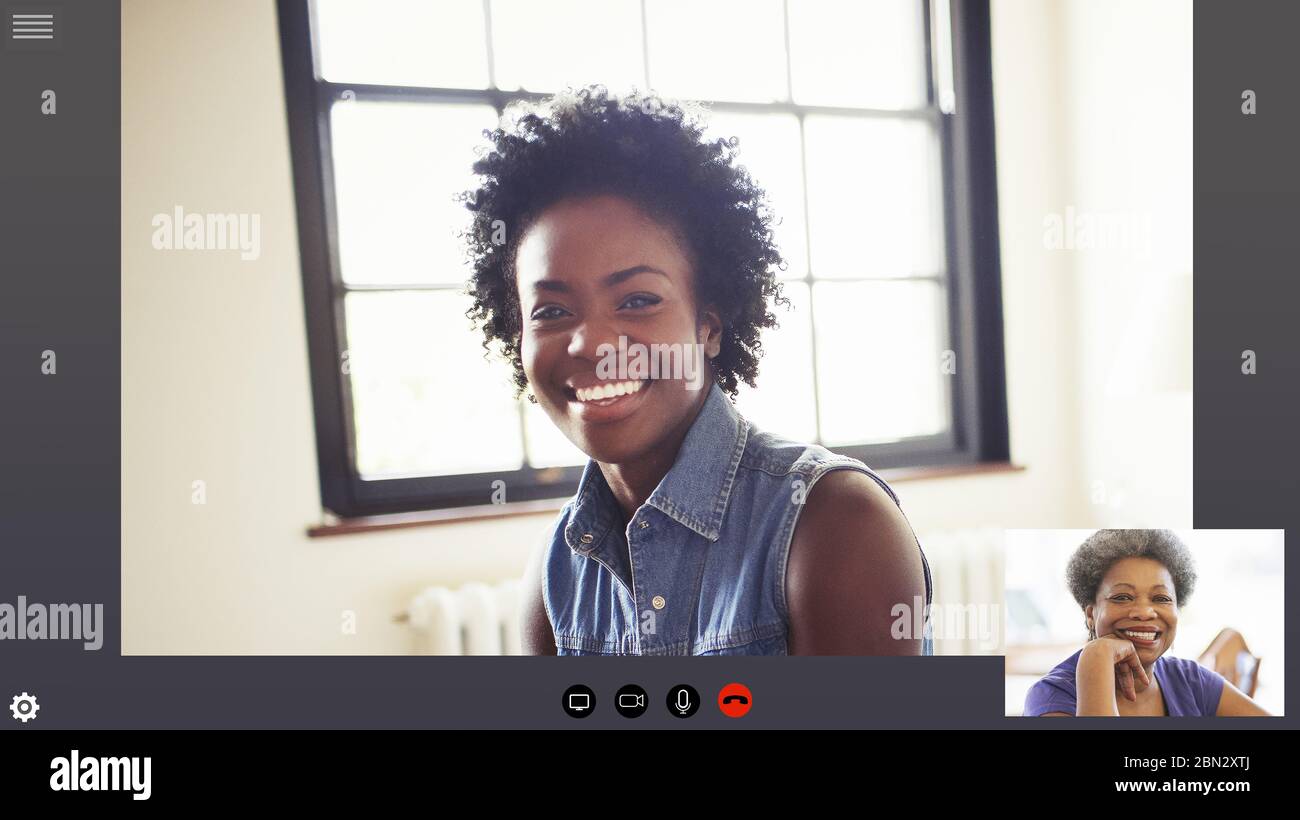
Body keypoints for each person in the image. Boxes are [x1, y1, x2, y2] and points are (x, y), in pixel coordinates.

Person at [461, 85, 933, 655]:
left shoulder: (835, 523)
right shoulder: (556, 572)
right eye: (553, 311)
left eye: (637, 300)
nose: (590, 344)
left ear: (707, 324)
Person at [1024, 529, 1270, 716]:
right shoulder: (1050, 698)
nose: (1144, 612)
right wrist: (1095, 656)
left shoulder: (1191, 681)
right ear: (1091, 614)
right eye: (1122, 597)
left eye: (1161, 598)